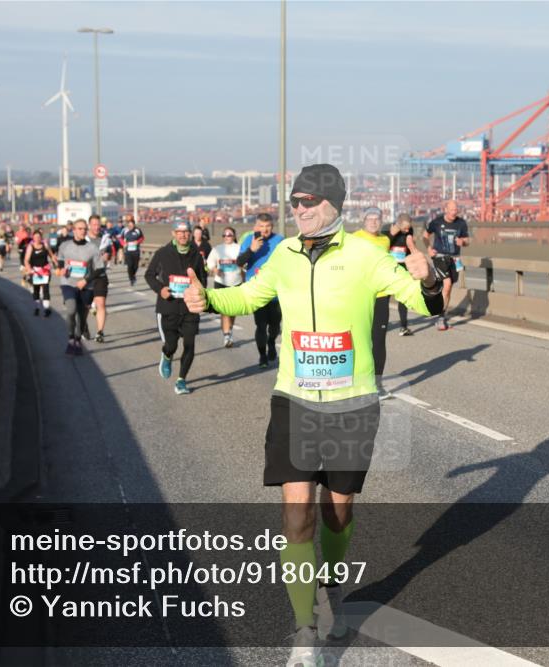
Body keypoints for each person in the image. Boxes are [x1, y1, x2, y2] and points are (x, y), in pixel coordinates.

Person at [183, 164, 444, 666]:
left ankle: (331, 587)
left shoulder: (367, 256)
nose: (297, 210)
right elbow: (246, 296)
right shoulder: (283, 254)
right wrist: (208, 298)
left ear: (332, 204)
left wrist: (429, 277)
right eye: (293, 202)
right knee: (296, 513)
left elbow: (425, 304)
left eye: (307, 202)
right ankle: (305, 631)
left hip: (352, 404)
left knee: (337, 510)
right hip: (295, 401)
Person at [144, 220, 207, 395]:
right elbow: (149, 275)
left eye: (186, 231)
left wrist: (200, 294)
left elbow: (202, 278)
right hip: (169, 306)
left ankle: (181, 380)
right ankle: (167, 355)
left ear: (191, 233)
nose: (183, 235)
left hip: (189, 307)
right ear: (173, 233)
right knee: (171, 345)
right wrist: (160, 289)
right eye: (179, 232)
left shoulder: (196, 255)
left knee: (189, 344)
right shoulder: (163, 253)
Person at [352, 207, 393, 399]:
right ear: (363, 220)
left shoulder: (385, 240)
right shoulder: (353, 238)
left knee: (378, 341)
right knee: (359, 340)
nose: (374, 222)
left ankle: (377, 384)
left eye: (377, 219)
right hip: (359, 296)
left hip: (381, 296)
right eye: (370, 218)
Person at [237, 212, 284, 368]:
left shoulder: (280, 241)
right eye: (261, 226)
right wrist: (252, 249)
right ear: (255, 227)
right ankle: (262, 355)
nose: (265, 230)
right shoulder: (249, 241)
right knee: (261, 325)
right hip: (257, 291)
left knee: (275, 326)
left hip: (276, 293)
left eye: (268, 226)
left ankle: (271, 342)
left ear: (272, 226)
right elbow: (239, 262)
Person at [56, 218, 103, 355]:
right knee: (71, 310)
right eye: (80, 228)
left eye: (84, 229)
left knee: (82, 317)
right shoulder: (65, 246)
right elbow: (60, 261)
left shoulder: (92, 248)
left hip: (86, 286)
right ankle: (71, 339)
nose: (82, 231)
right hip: (68, 283)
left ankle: (77, 339)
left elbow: (99, 269)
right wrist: (61, 269)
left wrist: (85, 280)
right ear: (74, 230)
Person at [423, 200, 470, 331]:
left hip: (454, 259)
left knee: (448, 288)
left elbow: (466, 240)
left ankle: (441, 310)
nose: (454, 212)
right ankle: (441, 317)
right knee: (447, 283)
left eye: (456, 210)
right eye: (452, 210)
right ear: (446, 209)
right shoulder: (437, 222)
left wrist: (463, 242)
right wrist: (428, 248)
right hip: (440, 256)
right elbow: (425, 236)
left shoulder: (461, 223)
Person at [205, 226, 243, 348]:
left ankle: (229, 329)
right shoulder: (217, 249)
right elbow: (210, 263)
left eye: (229, 235)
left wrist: (244, 274)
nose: (227, 237)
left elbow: (245, 264)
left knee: (233, 310)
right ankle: (227, 335)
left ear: (234, 236)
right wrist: (215, 269)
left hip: (236, 282)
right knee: (224, 309)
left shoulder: (240, 248)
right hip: (221, 282)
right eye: (224, 235)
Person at [388, 213, 418, 336]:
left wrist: (415, 252)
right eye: (404, 228)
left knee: (403, 298)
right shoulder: (387, 229)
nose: (407, 230)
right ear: (398, 224)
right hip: (389, 268)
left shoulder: (409, 230)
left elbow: (410, 244)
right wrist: (392, 234)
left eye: (408, 228)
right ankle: (379, 324)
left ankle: (403, 327)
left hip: (403, 268)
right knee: (384, 299)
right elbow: (383, 244)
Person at [87, 215, 113, 343]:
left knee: (101, 304)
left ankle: (100, 332)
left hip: (100, 276)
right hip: (85, 277)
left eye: (98, 224)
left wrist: (107, 256)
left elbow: (108, 254)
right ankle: (83, 326)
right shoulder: (83, 239)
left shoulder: (105, 239)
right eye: (94, 224)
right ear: (89, 225)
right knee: (84, 306)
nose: (97, 227)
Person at [23, 230, 53, 317]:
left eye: (39, 237)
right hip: (35, 271)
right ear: (33, 238)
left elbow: (51, 255)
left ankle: (46, 309)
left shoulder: (45, 245)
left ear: (41, 237)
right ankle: (37, 308)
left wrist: (56, 263)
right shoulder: (30, 246)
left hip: (45, 270)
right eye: (35, 237)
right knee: (36, 290)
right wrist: (29, 269)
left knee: (46, 289)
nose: (37, 239)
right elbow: (26, 260)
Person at [121, 216, 145, 286]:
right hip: (128, 251)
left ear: (134, 225)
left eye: (132, 225)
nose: (131, 226)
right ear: (128, 225)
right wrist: (124, 243)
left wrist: (137, 241)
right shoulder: (125, 230)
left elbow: (142, 238)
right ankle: (131, 278)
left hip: (136, 251)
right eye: (129, 225)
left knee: (136, 266)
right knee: (130, 265)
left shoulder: (138, 230)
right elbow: (120, 238)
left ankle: (133, 275)